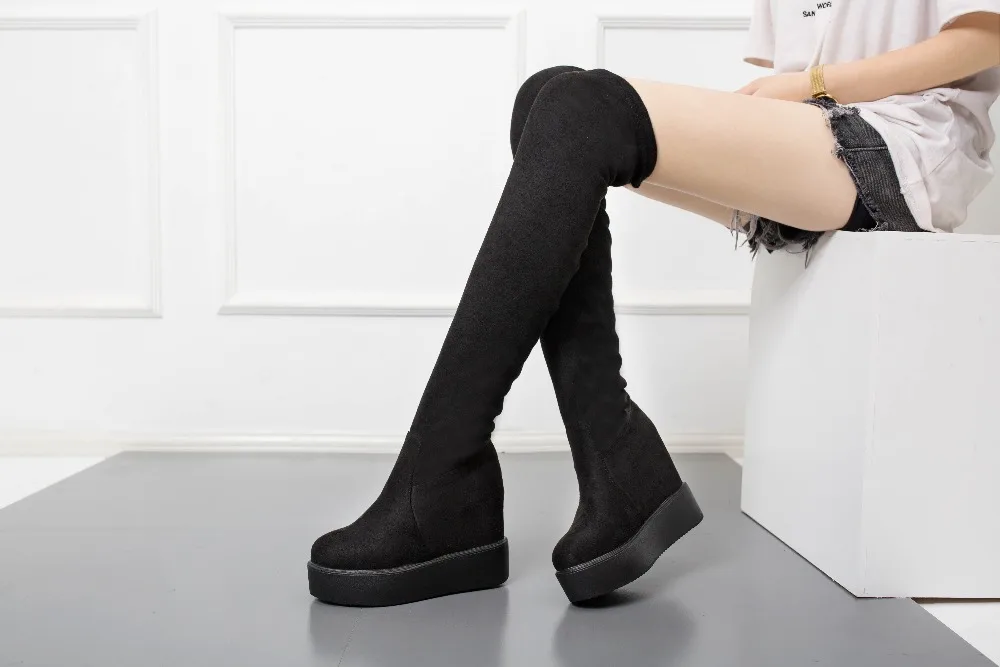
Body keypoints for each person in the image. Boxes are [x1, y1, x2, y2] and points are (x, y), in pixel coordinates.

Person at [307, 0, 1000, 607]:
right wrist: (795, 96)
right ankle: (611, 465)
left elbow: (985, 37)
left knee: (580, 110)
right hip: (815, 140)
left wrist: (811, 85)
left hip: (904, 147)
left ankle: (444, 481)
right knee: (547, 96)